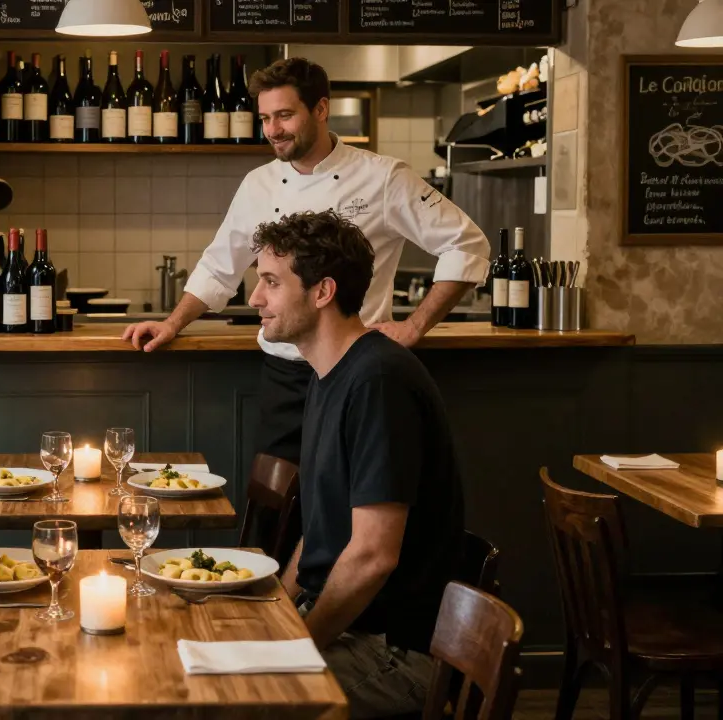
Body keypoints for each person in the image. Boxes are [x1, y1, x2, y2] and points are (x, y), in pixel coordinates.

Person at [123, 57, 488, 479]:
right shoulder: (257, 183)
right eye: (264, 118)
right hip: (285, 378)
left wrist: (416, 325)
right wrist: (173, 323)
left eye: (284, 115)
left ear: (320, 109)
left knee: (349, 504)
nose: (273, 129)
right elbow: (219, 265)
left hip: (358, 373)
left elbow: (466, 242)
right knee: (274, 506)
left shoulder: (384, 178)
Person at [249, 210, 464, 719]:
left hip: (395, 650)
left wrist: (296, 643)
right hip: (350, 627)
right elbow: (324, 530)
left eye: (271, 283)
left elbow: (373, 556)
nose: (255, 298)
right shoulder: (330, 374)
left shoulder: (377, 383)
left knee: (233, 700)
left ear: (322, 292)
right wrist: (278, 610)